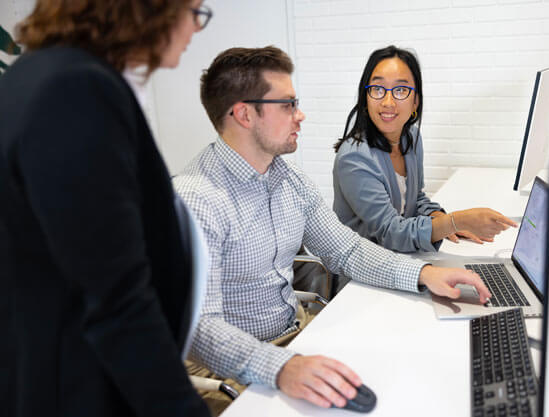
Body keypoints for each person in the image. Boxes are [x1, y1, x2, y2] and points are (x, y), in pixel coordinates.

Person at [174, 46, 492, 413]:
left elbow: (347, 250)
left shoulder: (289, 180)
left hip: (295, 335)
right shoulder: (195, 201)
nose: (301, 115)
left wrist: (425, 273)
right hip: (225, 371)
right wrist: (283, 367)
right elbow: (198, 326)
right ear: (245, 114)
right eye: (288, 105)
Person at [0, 1, 213, 416]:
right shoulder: (77, 90)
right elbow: (115, 296)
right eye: (193, 10)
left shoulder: (34, 74)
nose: (196, 27)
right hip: (81, 386)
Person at [333, 45, 518, 253]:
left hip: (398, 260)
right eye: (377, 89)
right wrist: (456, 222)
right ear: (365, 98)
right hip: (359, 274)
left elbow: (415, 200)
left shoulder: (410, 137)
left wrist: (441, 219)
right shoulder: (354, 157)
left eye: (401, 90)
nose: (388, 102)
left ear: (415, 102)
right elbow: (390, 232)